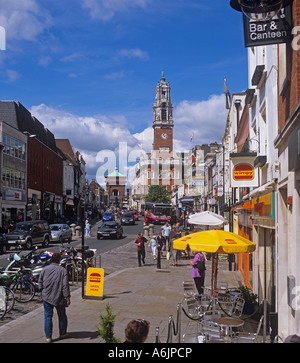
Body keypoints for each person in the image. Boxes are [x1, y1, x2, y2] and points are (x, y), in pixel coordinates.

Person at [38, 253, 71, 343]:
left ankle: (48, 337)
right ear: (59, 260)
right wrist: (67, 297)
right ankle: (63, 333)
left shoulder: (45, 269)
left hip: (47, 296)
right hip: (59, 296)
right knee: (62, 315)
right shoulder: (62, 270)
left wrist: (42, 291)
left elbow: (40, 281)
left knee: (48, 316)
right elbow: (65, 286)